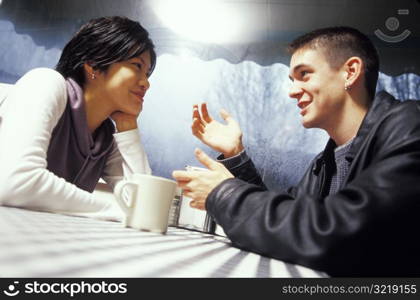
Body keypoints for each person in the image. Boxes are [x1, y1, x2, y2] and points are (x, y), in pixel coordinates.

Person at [172, 26, 420, 276]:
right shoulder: (323, 164)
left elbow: (344, 234)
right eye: (292, 80)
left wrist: (222, 193)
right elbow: (291, 226)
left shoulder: (410, 126)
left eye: (305, 74)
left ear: (350, 72)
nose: (291, 91)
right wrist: (236, 154)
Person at [0, 16, 155, 220]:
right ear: (93, 65)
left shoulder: (104, 137)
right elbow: (15, 182)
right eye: (136, 65)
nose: (146, 83)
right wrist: (114, 212)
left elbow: (145, 206)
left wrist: (128, 127)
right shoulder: (45, 83)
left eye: (148, 73)